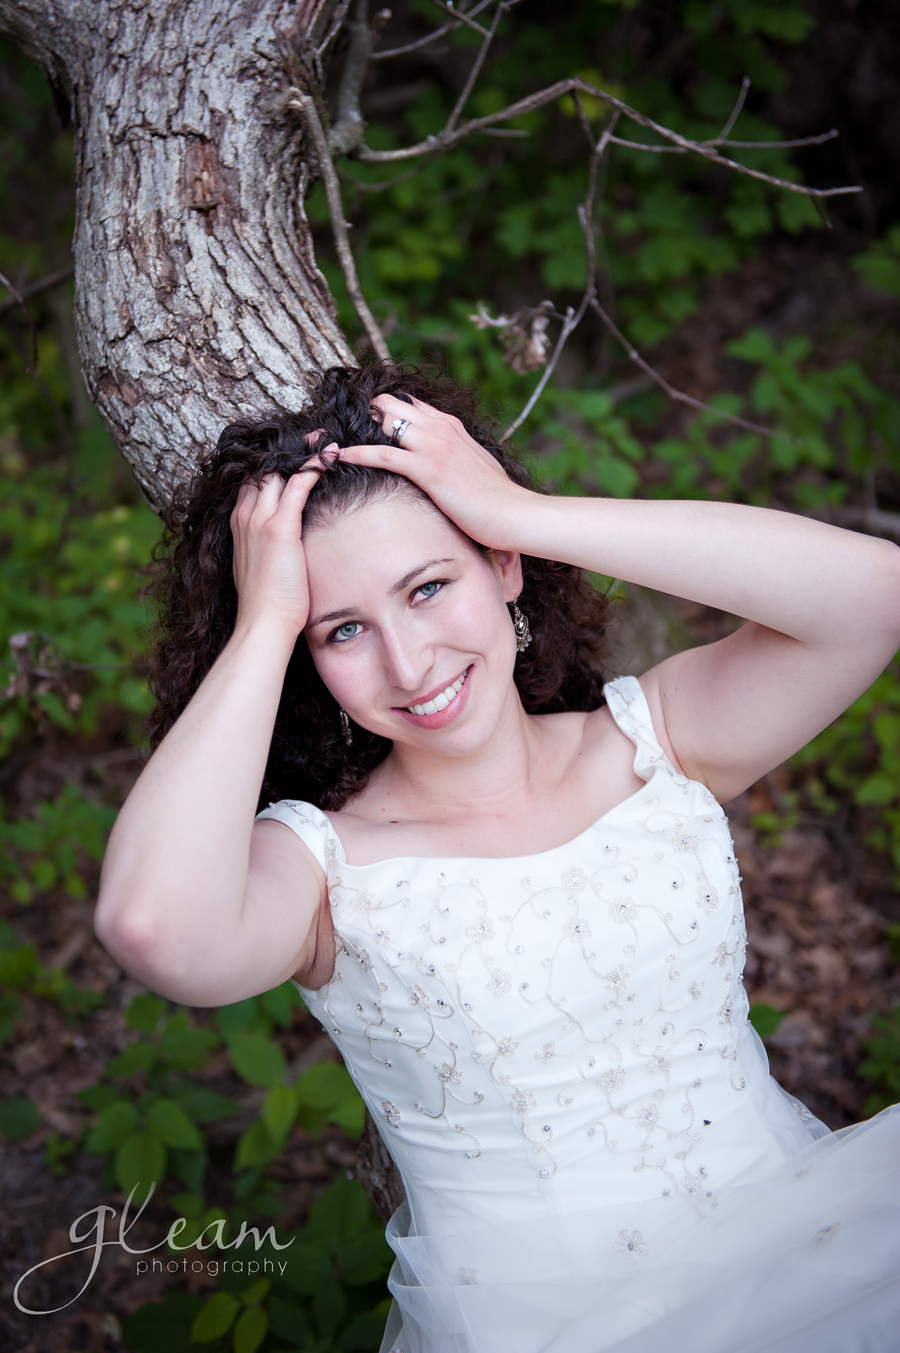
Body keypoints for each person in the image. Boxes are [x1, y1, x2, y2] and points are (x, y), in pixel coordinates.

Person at [96, 364, 900, 1352]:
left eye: (430, 587)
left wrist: (519, 511)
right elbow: (153, 925)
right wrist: (265, 620)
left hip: (805, 1256)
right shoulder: (320, 871)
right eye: (343, 629)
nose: (409, 663)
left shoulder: (658, 744)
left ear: (503, 568)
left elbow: (873, 596)